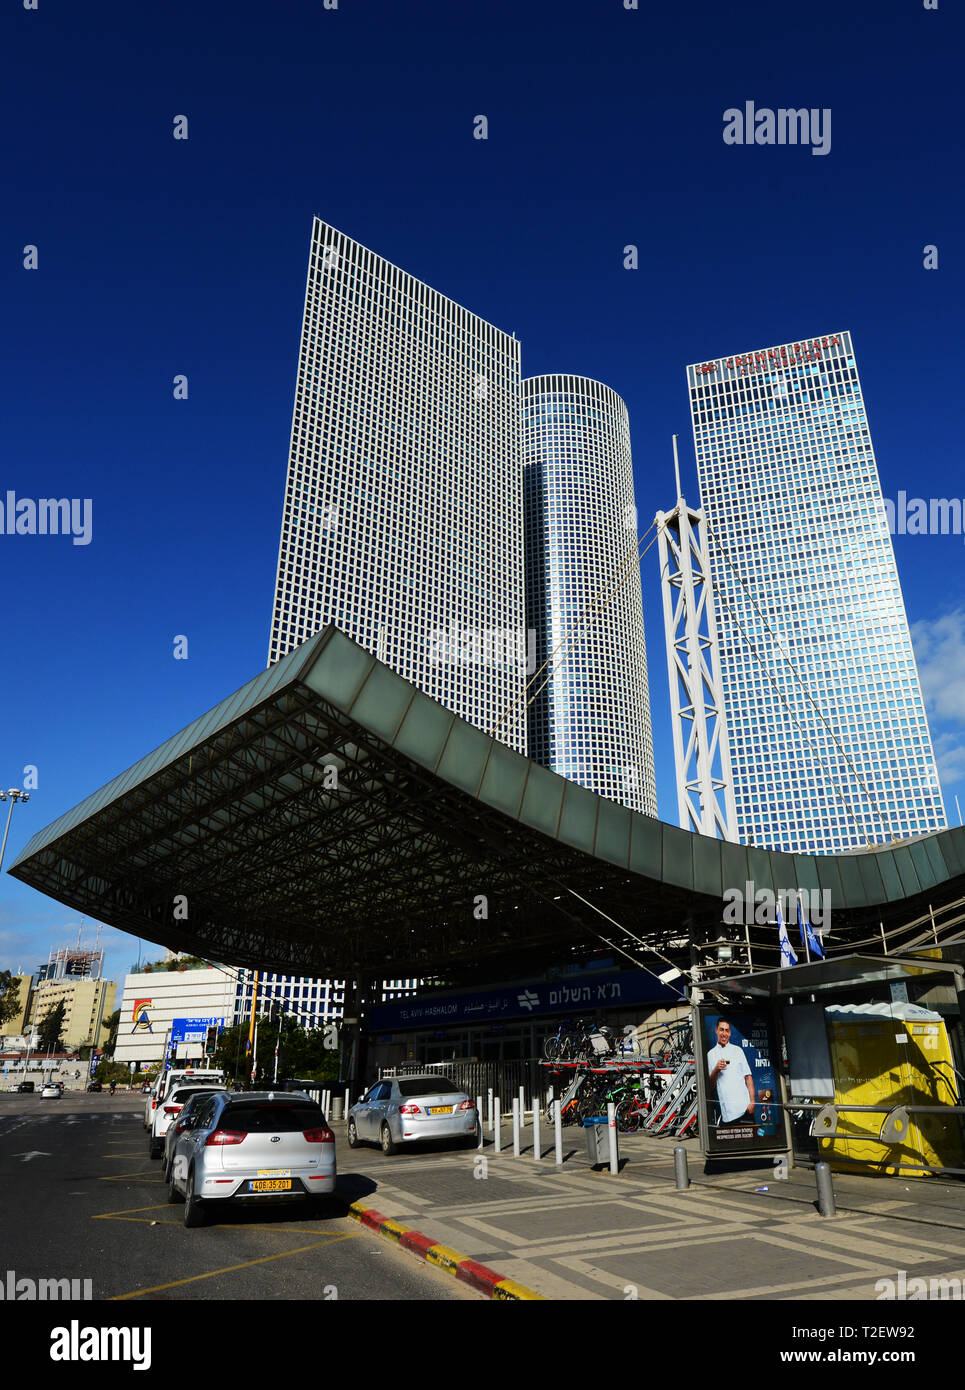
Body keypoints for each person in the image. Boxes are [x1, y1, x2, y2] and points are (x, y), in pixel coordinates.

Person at [706, 1018, 754, 1125]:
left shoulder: (738, 1051)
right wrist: (716, 1070)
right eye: (721, 1030)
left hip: (745, 1109)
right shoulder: (710, 1055)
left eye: (727, 1030)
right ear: (716, 1030)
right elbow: (710, 1086)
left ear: (730, 1033)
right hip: (728, 1114)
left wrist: (752, 1102)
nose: (724, 1033)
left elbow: (748, 1077)